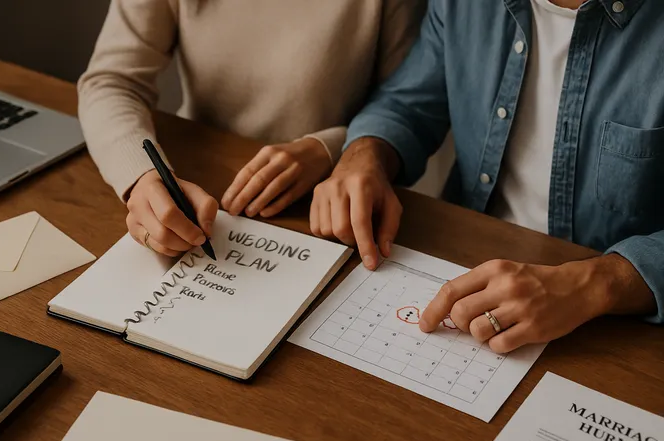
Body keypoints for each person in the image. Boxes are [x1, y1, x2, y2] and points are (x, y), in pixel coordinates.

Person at [312, 0, 663, 354]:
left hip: (611, 329)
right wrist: (365, 155)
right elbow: (407, 104)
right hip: (461, 272)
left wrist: (597, 284)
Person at [78, 0, 428, 257]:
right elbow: (111, 81)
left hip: (327, 207)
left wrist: (328, 149)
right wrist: (141, 177)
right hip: (199, 189)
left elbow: (407, 105)